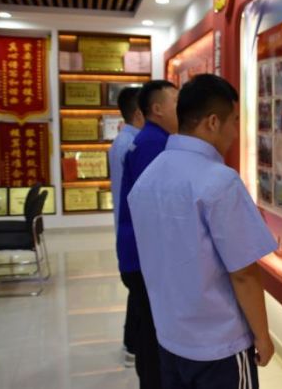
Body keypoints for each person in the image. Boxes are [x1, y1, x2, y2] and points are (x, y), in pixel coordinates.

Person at [129, 74, 277, 389]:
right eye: (234, 121)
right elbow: (244, 273)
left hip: (170, 338)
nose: (236, 132)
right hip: (219, 344)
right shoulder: (219, 181)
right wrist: (262, 336)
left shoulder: (149, 177)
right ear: (212, 122)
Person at [117, 80, 178, 389]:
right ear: (157, 109)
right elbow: (155, 208)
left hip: (135, 252)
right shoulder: (155, 144)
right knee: (153, 335)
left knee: (147, 329)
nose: (182, 108)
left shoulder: (149, 139)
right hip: (143, 257)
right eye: (175, 102)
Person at [108, 86, 145, 367]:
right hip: (133, 229)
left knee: (137, 292)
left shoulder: (123, 140)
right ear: (139, 113)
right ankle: (133, 345)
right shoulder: (132, 145)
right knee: (139, 292)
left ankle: (131, 344)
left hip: (126, 227)